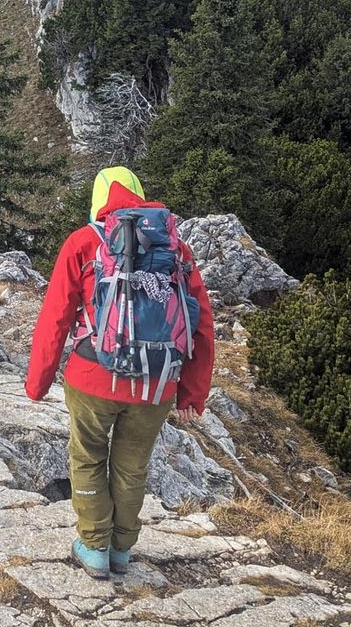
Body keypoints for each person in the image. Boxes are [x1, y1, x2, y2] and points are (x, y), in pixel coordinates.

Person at [25, 167, 215, 579]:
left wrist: (38, 382)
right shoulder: (176, 249)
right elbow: (201, 324)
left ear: (98, 201)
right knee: (132, 467)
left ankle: (94, 546)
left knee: (87, 456)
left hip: (93, 376)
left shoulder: (83, 243)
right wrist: (192, 392)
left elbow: (55, 318)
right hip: (156, 383)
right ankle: (121, 549)